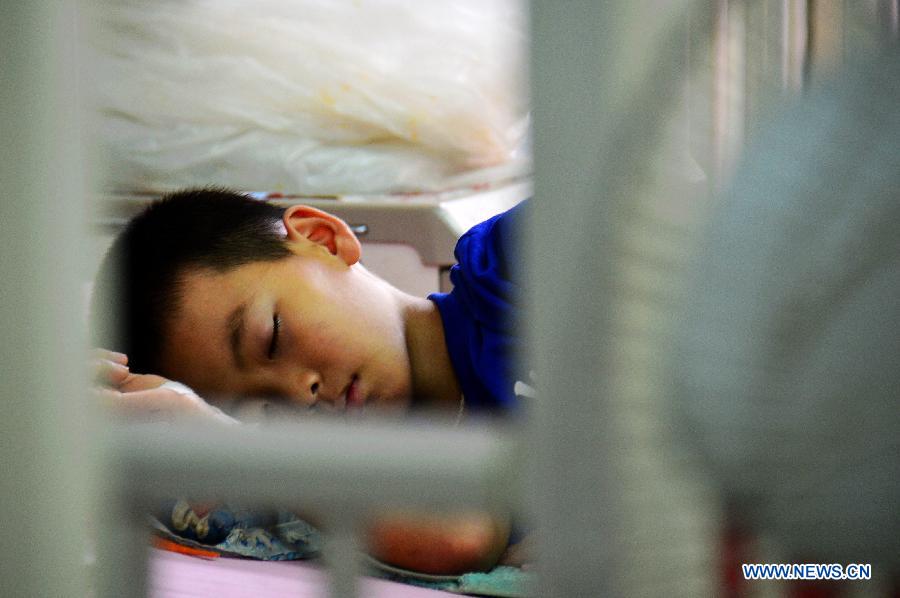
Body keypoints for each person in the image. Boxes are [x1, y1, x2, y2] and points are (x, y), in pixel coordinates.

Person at [91, 188, 530, 574]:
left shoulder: (510, 266)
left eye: (273, 339)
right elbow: (461, 538)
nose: (300, 396)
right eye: (262, 412)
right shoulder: (410, 482)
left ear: (322, 238)